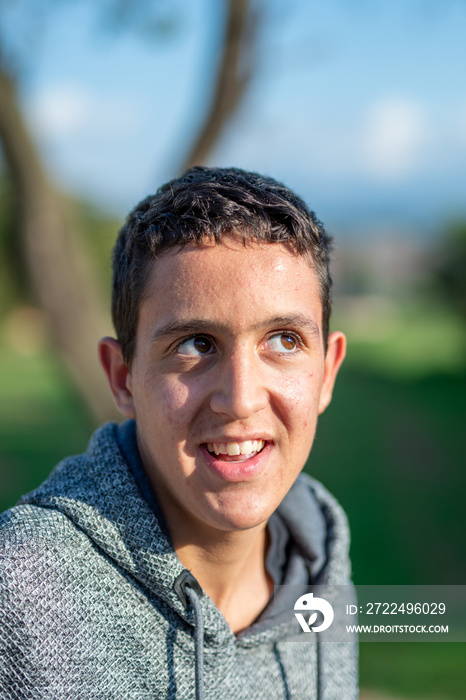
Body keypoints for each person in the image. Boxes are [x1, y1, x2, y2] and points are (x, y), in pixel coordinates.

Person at [0, 167, 357, 699]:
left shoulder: (322, 551)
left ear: (326, 373)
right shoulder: (24, 591)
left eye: (283, 340)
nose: (240, 398)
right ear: (123, 377)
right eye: (195, 344)